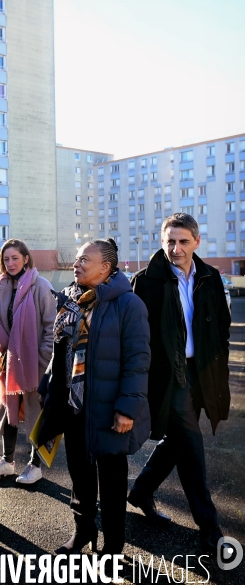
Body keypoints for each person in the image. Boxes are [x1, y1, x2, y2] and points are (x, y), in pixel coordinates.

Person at [38, 238, 151, 556]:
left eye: (84, 260)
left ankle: (114, 547)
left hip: (109, 411)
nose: (76, 264)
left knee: (113, 484)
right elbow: (60, 352)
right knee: (79, 476)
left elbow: (138, 360)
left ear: (106, 267)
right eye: (76, 259)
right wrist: (48, 389)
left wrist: (127, 408)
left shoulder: (129, 305)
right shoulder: (71, 300)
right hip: (74, 408)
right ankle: (83, 531)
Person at [127, 213, 231, 555]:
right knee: (191, 445)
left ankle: (141, 490)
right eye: (170, 241)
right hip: (168, 376)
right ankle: (209, 523)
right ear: (162, 242)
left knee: (176, 440)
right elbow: (137, 337)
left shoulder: (210, 278)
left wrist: (217, 370)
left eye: (183, 241)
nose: (176, 248)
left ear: (196, 242)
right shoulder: (147, 281)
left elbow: (221, 329)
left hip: (201, 372)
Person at [0, 239, 56, 485]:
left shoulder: (41, 285)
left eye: (15, 258)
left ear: (26, 258)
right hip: (6, 361)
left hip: (33, 363)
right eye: (6, 259)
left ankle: (35, 465)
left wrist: (42, 359)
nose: (10, 263)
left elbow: (51, 327)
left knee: (35, 414)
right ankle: (7, 461)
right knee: (8, 410)